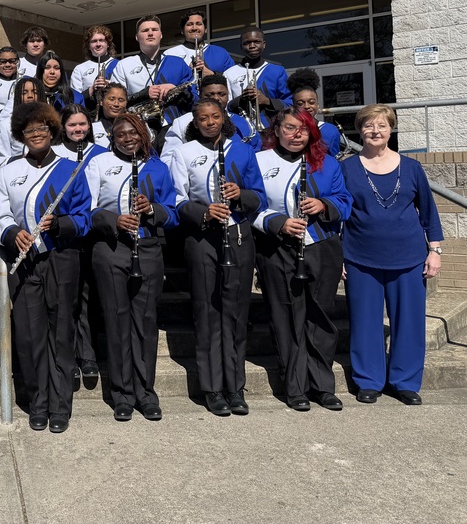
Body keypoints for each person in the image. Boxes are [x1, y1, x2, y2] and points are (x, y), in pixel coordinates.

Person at [0, 102, 91, 433]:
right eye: (29, 130)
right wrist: (12, 233)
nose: (36, 135)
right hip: (24, 260)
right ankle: (38, 401)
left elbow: (84, 217)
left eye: (42, 129)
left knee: (61, 332)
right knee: (30, 333)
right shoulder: (8, 170)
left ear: (52, 131)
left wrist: (61, 225)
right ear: (20, 135)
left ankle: (60, 404)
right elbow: (2, 215)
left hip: (61, 257)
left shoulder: (71, 169)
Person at [168, 99, 266, 417]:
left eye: (215, 117)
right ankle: (211, 388)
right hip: (202, 238)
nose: (210, 122)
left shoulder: (242, 150)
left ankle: (235, 387)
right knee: (207, 312)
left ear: (223, 118)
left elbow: (259, 196)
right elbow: (177, 199)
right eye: (203, 118)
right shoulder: (184, 153)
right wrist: (205, 210)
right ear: (195, 122)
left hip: (238, 235)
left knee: (235, 313)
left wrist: (241, 195)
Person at [341, 104, 442, 406]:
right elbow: (338, 216)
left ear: (391, 129)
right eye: (369, 126)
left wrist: (434, 250)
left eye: (382, 126)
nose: (375, 131)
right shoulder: (346, 168)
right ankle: (369, 380)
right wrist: (338, 257)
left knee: (409, 322)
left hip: (409, 256)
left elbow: (429, 211)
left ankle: (405, 381)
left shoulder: (411, 168)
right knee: (365, 322)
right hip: (360, 257)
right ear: (359, 130)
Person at [252, 108, 352, 411]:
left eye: (303, 130)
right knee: (285, 318)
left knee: (319, 317)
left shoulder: (328, 164)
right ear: (277, 130)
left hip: (321, 245)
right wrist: (278, 222)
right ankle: (293, 386)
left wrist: (323, 204)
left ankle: (322, 385)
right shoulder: (259, 161)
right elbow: (250, 205)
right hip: (278, 247)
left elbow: (345, 202)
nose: (297, 135)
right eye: (290, 128)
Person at [85, 112, 178, 421]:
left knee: (146, 324)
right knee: (116, 322)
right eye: (120, 134)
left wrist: (152, 209)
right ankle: (122, 394)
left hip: (148, 249)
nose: (127, 139)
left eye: (133, 133)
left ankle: (145, 392)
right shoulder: (98, 163)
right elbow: (88, 209)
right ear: (113, 137)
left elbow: (174, 212)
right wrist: (114, 220)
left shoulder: (158, 167)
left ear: (143, 135)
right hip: (111, 249)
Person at [56, 104, 108, 380]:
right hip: (66, 233)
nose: (78, 129)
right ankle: (69, 355)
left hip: (94, 233)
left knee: (88, 296)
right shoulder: (55, 154)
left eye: (83, 125)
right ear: (63, 127)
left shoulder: (101, 153)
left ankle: (88, 353)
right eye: (72, 125)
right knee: (68, 297)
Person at [111, 16, 192, 128]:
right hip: (139, 128)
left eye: (154, 30)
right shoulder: (124, 65)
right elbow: (115, 102)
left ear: (161, 35)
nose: (150, 33)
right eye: (145, 30)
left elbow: (194, 99)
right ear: (137, 37)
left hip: (175, 127)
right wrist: (144, 94)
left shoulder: (178, 63)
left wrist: (175, 90)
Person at [161, 74, 261, 163]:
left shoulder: (244, 123)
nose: (216, 98)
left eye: (222, 94)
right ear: (200, 95)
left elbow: (255, 158)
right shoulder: (182, 122)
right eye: (210, 94)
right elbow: (168, 160)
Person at [225, 25, 292, 129]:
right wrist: (242, 99)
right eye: (247, 43)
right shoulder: (229, 73)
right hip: (240, 129)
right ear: (241, 47)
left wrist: (267, 101)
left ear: (264, 44)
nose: (252, 46)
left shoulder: (277, 71)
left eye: (256, 42)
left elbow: (290, 104)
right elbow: (226, 108)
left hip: (272, 130)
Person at [164, 10, 234, 83]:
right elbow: (163, 82)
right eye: (189, 24)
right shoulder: (170, 54)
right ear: (182, 30)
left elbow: (233, 80)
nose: (194, 28)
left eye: (199, 24)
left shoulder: (220, 53)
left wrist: (213, 75)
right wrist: (187, 72)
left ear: (206, 29)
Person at [287, 68, 344, 158]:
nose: (306, 106)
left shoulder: (329, 131)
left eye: (311, 102)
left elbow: (334, 161)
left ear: (317, 105)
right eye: (300, 103)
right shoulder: (286, 130)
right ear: (293, 105)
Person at [0, 77, 42, 168]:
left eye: (35, 92)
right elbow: (0, 162)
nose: (30, 95)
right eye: (24, 92)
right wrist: (23, 159)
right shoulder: (6, 125)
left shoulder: (50, 124)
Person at [70, 26, 119, 109]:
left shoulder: (119, 65)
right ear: (88, 46)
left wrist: (110, 86)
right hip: (89, 113)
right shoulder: (80, 68)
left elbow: (126, 93)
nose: (98, 44)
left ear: (108, 44)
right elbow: (74, 99)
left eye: (101, 40)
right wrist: (91, 89)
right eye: (94, 41)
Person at [92, 82, 128, 149]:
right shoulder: (92, 129)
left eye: (121, 100)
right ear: (101, 102)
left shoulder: (133, 128)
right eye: (112, 99)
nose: (116, 104)